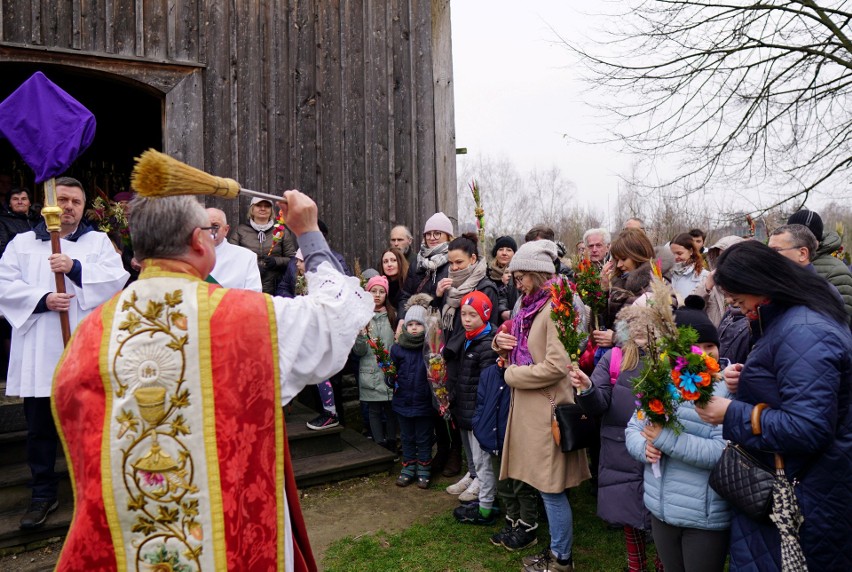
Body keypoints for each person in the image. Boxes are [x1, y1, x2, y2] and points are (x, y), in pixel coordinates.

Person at [51, 190, 373, 571]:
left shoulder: (91, 333)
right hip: (230, 539)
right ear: (197, 241)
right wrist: (309, 232)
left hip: (134, 541)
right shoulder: (244, 317)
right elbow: (333, 318)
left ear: (139, 255)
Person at [695, 240, 852, 572]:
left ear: (760, 285)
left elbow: (809, 427)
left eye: (738, 300)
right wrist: (751, 380)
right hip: (799, 487)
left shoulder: (805, 331)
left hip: (803, 496)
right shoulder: (792, 320)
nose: (738, 308)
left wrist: (731, 412)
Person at [0, 177, 129, 529]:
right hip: (40, 347)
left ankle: (91, 491)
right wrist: (42, 301)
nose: (69, 206)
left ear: (84, 207)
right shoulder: (21, 244)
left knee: (89, 423)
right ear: (48, 207)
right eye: (63, 200)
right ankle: (43, 493)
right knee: (40, 428)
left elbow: (116, 282)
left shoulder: (98, 242)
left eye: (76, 201)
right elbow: (3, 284)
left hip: (83, 346)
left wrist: (75, 269)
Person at [493, 239, 591, 572]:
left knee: (551, 489)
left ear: (536, 274)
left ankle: (561, 559)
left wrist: (512, 374)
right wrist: (500, 345)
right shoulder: (531, 305)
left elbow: (555, 366)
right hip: (532, 409)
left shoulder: (555, 308)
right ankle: (556, 553)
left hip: (547, 410)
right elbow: (524, 347)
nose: (516, 283)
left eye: (520, 276)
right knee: (546, 487)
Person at [625, 298, 731, 572]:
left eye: (711, 346)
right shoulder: (661, 383)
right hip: (662, 510)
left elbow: (721, 453)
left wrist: (663, 439)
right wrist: (643, 448)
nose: (707, 353)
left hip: (704, 516)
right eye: (698, 347)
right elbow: (635, 427)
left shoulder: (726, 390)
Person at [570, 305, 663, 572]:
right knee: (628, 514)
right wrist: (587, 389)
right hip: (619, 448)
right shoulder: (614, 358)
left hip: (658, 447)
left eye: (646, 326)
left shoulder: (668, 359)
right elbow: (598, 404)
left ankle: (662, 564)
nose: (640, 333)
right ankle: (636, 566)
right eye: (633, 326)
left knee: (660, 515)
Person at [440, 233, 500, 488]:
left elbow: (488, 323)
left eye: (459, 263)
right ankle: (472, 471)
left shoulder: (485, 286)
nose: (454, 268)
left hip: (474, 360)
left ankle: (482, 477)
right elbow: (449, 324)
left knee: (476, 418)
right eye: (451, 264)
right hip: (456, 360)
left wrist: (452, 348)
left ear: (473, 259)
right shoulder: (451, 288)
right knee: (461, 416)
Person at [448, 291, 499, 526]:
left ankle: (487, 507)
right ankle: (485, 499)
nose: (466, 319)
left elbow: (487, 383)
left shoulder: (487, 344)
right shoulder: (468, 339)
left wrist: (481, 413)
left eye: (473, 315)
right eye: (463, 314)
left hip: (480, 413)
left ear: (485, 315)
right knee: (477, 461)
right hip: (468, 409)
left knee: (484, 462)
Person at [391, 295, 435, 488]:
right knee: (407, 436)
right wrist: (389, 377)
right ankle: (408, 466)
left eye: (419, 324)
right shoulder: (398, 349)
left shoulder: (429, 349)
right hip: (403, 401)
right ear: (405, 326)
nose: (414, 327)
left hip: (423, 402)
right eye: (411, 324)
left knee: (424, 436)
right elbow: (392, 371)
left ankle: (424, 467)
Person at [353, 274, 398, 452]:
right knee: (374, 410)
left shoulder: (392, 316)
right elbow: (359, 351)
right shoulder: (363, 318)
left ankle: (392, 442)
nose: (377, 295)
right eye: (373, 291)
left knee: (390, 409)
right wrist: (361, 335)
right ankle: (379, 444)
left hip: (388, 372)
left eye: (381, 291)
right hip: (369, 372)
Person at [787, 208, 852, 318]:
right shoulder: (785, 263)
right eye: (792, 236)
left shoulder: (836, 271)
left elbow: (842, 319)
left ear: (816, 238)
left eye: (803, 236)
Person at [229, 196, 297, 294]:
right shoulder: (240, 231)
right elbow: (232, 257)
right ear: (252, 209)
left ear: (271, 210)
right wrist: (253, 266)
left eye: (267, 206)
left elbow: (292, 259)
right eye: (259, 205)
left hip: (275, 287)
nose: (263, 208)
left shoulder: (282, 231)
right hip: (247, 286)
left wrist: (276, 261)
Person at [206, 207, 262, 291]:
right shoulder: (186, 256)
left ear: (226, 230)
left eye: (215, 226)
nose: (210, 230)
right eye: (205, 225)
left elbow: (254, 295)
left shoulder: (246, 257)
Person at [669, 232, 708, 301]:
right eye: (672, 254)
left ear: (691, 251)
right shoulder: (666, 274)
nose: (675, 257)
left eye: (679, 253)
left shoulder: (704, 276)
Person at [0, 187, 39, 257]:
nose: (20, 202)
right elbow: (3, 248)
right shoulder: (2, 221)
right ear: (9, 203)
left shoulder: (39, 219)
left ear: (29, 203)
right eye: (15, 199)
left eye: (24, 199)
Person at [489, 235, 518, 322]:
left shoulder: (519, 275)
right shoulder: (487, 274)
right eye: (501, 249)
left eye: (509, 250)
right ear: (496, 253)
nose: (504, 253)